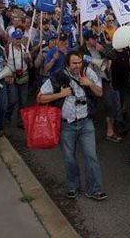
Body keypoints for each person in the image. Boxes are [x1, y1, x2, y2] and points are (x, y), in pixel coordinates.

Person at [38, 51, 107, 201]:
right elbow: (40, 97)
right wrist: (60, 95)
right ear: (68, 64)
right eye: (74, 63)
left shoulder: (89, 72)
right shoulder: (58, 76)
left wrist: (90, 84)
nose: (78, 66)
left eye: (80, 62)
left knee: (91, 156)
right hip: (67, 124)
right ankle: (73, 186)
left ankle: (94, 189)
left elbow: (100, 93)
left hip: (85, 122)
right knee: (70, 158)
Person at [5, 29, 31, 129]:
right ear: (12, 39)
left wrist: (28, 58)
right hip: (12, 76)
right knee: (13, 99)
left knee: (23, 100)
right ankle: (8, 115)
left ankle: (21, 121)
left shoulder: (25, 48)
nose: (18, 41)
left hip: (23, 75)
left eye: (19, 39)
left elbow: (30, 63)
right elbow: (4, 62)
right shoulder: (7, 49)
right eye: (16, 39)